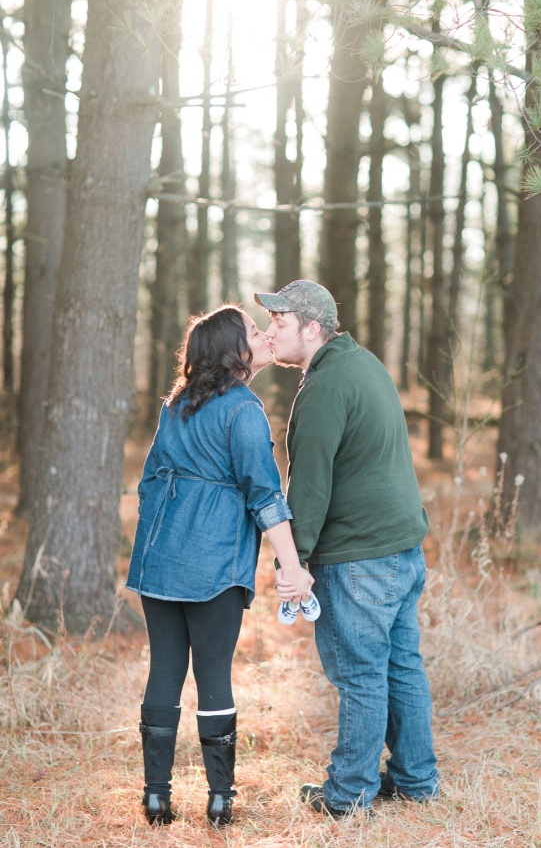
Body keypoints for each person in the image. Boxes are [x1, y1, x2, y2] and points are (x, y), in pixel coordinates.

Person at [254, 280, 439, 817]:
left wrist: (297, 562)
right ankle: (416, 780)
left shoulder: (326, 386)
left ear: (312, 330)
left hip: (360, 559)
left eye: (280, 324)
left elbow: (308, 488)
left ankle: (350, 794)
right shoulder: (363, 365)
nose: (270, 333)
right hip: (402, 551)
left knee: (361, 675)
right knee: (401, 666)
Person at [126, 306, 312, 828]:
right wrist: (291, 566)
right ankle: (219, 799)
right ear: (235, 350)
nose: (263, 335)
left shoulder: (174, 406)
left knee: (164, 670)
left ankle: (156, 798)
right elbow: (266, 496)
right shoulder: (244, 410)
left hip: (160, 556)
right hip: (214, 563)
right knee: (213, 676)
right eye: (254, 331)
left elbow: (148, 483)